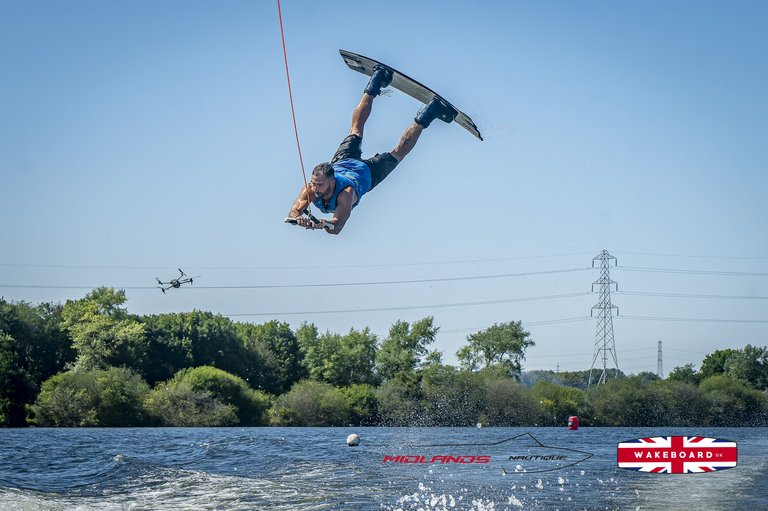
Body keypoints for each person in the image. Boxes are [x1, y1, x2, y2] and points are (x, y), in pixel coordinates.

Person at [285, 65, 457, 234]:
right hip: (342, 161)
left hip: (366, 173)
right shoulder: (310, 190)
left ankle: (430, 111)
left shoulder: (346, 194)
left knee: (397, 153)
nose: (315, 188)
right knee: (355, 129)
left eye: (320, 184)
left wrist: (322, 224)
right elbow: (294, 211)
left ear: (332, 182)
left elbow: (337, 226)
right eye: (314, 183)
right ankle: (377, 79)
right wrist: (298, 218)